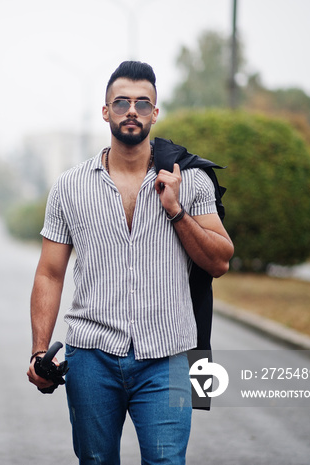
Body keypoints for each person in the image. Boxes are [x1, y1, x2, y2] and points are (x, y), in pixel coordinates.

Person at [26, 61, 234, 464]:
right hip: (90, 356)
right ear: (105, 111)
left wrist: (175, 209)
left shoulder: (189, 181)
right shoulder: (70, 186)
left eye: (143, 103)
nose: (132, 110)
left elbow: (220, 261)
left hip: (168, 355)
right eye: (121, 102)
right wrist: (39, 351)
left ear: (155, 113)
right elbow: (50, 273)